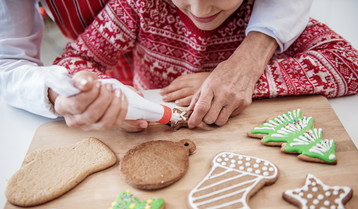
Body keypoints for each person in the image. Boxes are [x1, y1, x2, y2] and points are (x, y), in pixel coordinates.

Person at [0, 0, 315, 131]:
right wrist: (88, 93)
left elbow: (346, 62)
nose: (200, 8)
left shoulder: (258, 9)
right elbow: (70, 62)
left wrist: (251, 78)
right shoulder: (138, 6)